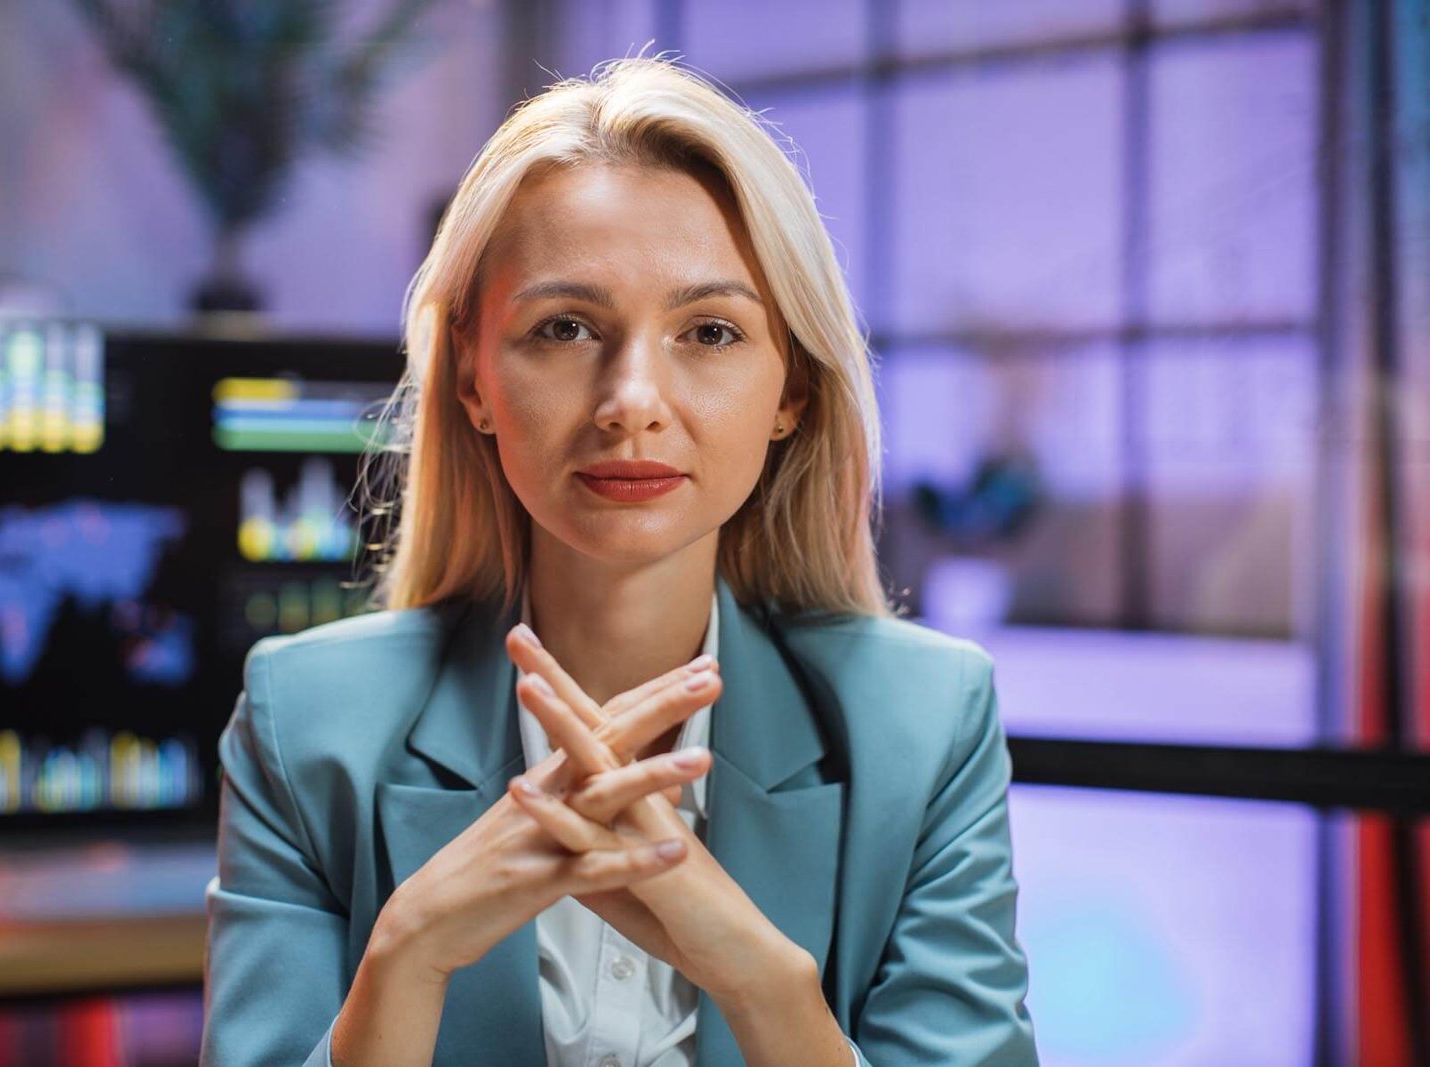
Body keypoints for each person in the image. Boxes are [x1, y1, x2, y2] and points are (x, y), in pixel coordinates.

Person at [200, 56, 1037, 1067]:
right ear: (471, 376)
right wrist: (407, 957)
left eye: (710, 331)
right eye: (564, 327)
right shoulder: (308, 722)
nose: (630, 399)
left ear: (793, 392)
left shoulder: (924, 720)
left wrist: (759, 976)